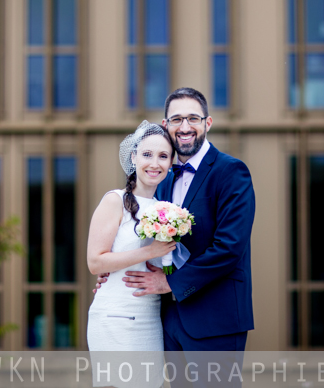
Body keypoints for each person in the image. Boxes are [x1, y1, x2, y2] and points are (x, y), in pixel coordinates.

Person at [97, 87, 256, 378]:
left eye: (193, 118)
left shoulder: (231, 172)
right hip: (167, 321)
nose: (185, 127)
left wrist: (170, 284)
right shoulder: (162, 178)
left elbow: (229, 247)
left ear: (207, 123)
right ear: (166, 124)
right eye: (177, 119)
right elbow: (149, 241)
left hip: (215, 320)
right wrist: (114, 276)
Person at [85, 121, 177, 387]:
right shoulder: (115, 200)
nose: (154, 163)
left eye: (163, 156)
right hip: (115, 316)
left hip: (151, 319)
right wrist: (149, 251)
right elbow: (95, 262)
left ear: (171, 163)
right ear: (133, 156)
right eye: (147, 154)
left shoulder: (168, 210)